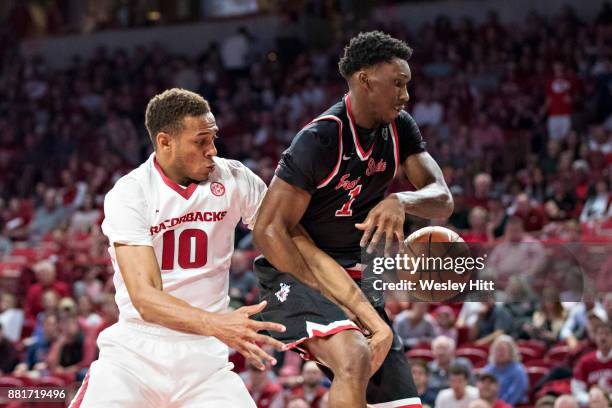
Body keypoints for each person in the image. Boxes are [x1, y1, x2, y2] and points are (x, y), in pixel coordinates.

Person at [253, 31, 453, 407]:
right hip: (295, 270)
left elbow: (442, 198)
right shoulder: (321, 138)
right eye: (398, 83)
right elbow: (268, 230)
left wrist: (403, 200)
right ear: (365, 79)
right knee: (355, 355)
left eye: (407, 85)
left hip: (358, 274)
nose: (406, 95)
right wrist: (327, 289)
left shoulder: (401, 127)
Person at [68, 88, 288, 407]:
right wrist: (219, 322)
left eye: (213, 138)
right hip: (135, 355)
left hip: (205, 361)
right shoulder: (131, 193)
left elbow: (285, 236)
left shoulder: (235, 178)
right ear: (165, 142)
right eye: (200, 141)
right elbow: (145, 297)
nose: (212, 149)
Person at [572, 320, 612, 405]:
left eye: (607, 334)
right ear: (595, 337)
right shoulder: (585, 361)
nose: (603, 338)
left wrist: (608, 399)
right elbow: (577, 391)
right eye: (600, 334)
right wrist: (592, 400)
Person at [481, 335, 528, 406]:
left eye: (503, 350)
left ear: (511, 352)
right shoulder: (488, 369)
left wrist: (498, 405)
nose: (500, 353)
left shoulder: (518, 371)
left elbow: (515, 394)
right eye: (497, 350)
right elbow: (482, 391)